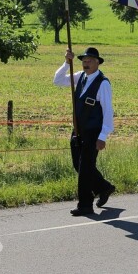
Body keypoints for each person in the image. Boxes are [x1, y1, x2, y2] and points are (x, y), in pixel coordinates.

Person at [53, 47, 116, 217]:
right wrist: (67, 63)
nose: (86, 63)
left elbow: (108, 111)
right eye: (84, 60)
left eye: (89, 61)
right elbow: (57, 80)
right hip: (78, 130)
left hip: (94, 132)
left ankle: (85, 205)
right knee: (78, 165)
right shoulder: (79, 76)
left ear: (97, 62)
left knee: (86, 168)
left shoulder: (103, 83)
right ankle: (104, 187)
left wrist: (103, 136)